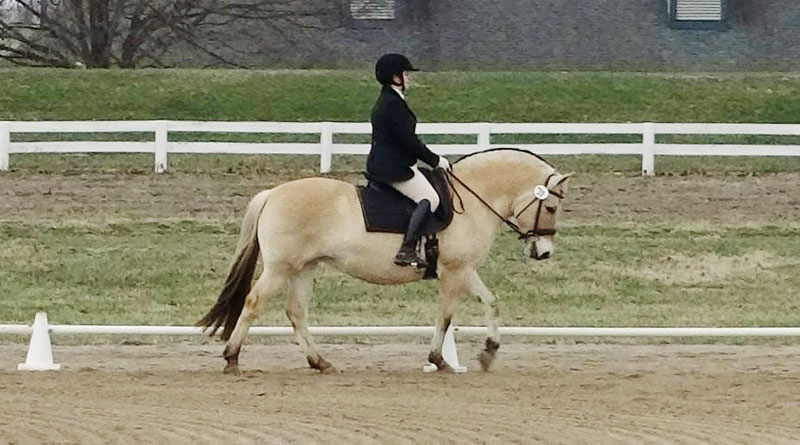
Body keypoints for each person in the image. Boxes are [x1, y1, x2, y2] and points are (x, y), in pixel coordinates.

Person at [366, 53, 451, 269]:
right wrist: (435, 161)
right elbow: (408, 141)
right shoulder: (392, 104)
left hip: (387, 162)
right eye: (405, 74)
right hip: (393, 168)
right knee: (430, 198)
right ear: (396, 78)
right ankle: (407, 249)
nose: (408, 78)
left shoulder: (390, 100)